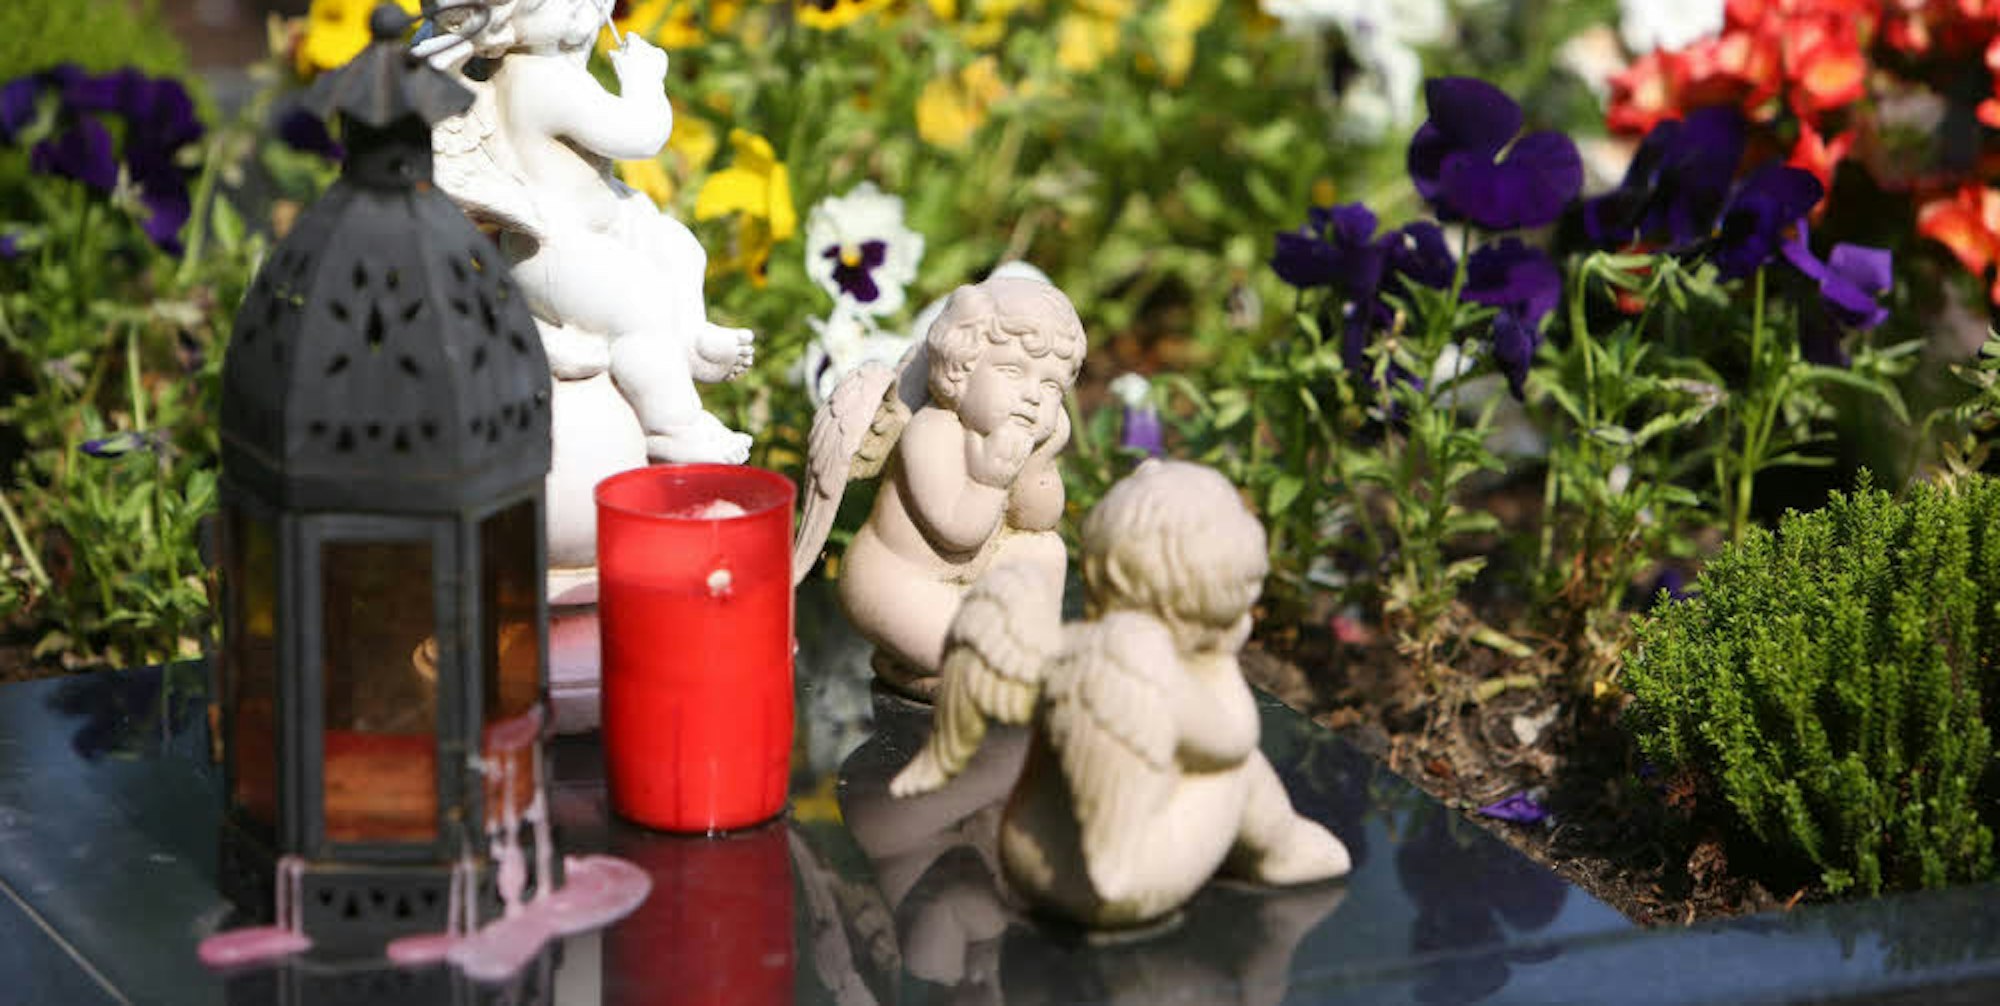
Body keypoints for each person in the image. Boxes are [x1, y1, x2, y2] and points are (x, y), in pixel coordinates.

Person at [837, 276, 1083, 700]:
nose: (1033, 396)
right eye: (1012, 371)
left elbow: (1037, 517)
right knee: (975, 649)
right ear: (960, 371)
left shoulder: (1018, 439)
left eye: (1050, 386)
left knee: (1045, 548)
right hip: (897, 583)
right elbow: (959, 531)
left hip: (970, 578)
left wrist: (1039, 461)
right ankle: (922, 666)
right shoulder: (933, 431)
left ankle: (1022, 650)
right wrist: (992, 479)